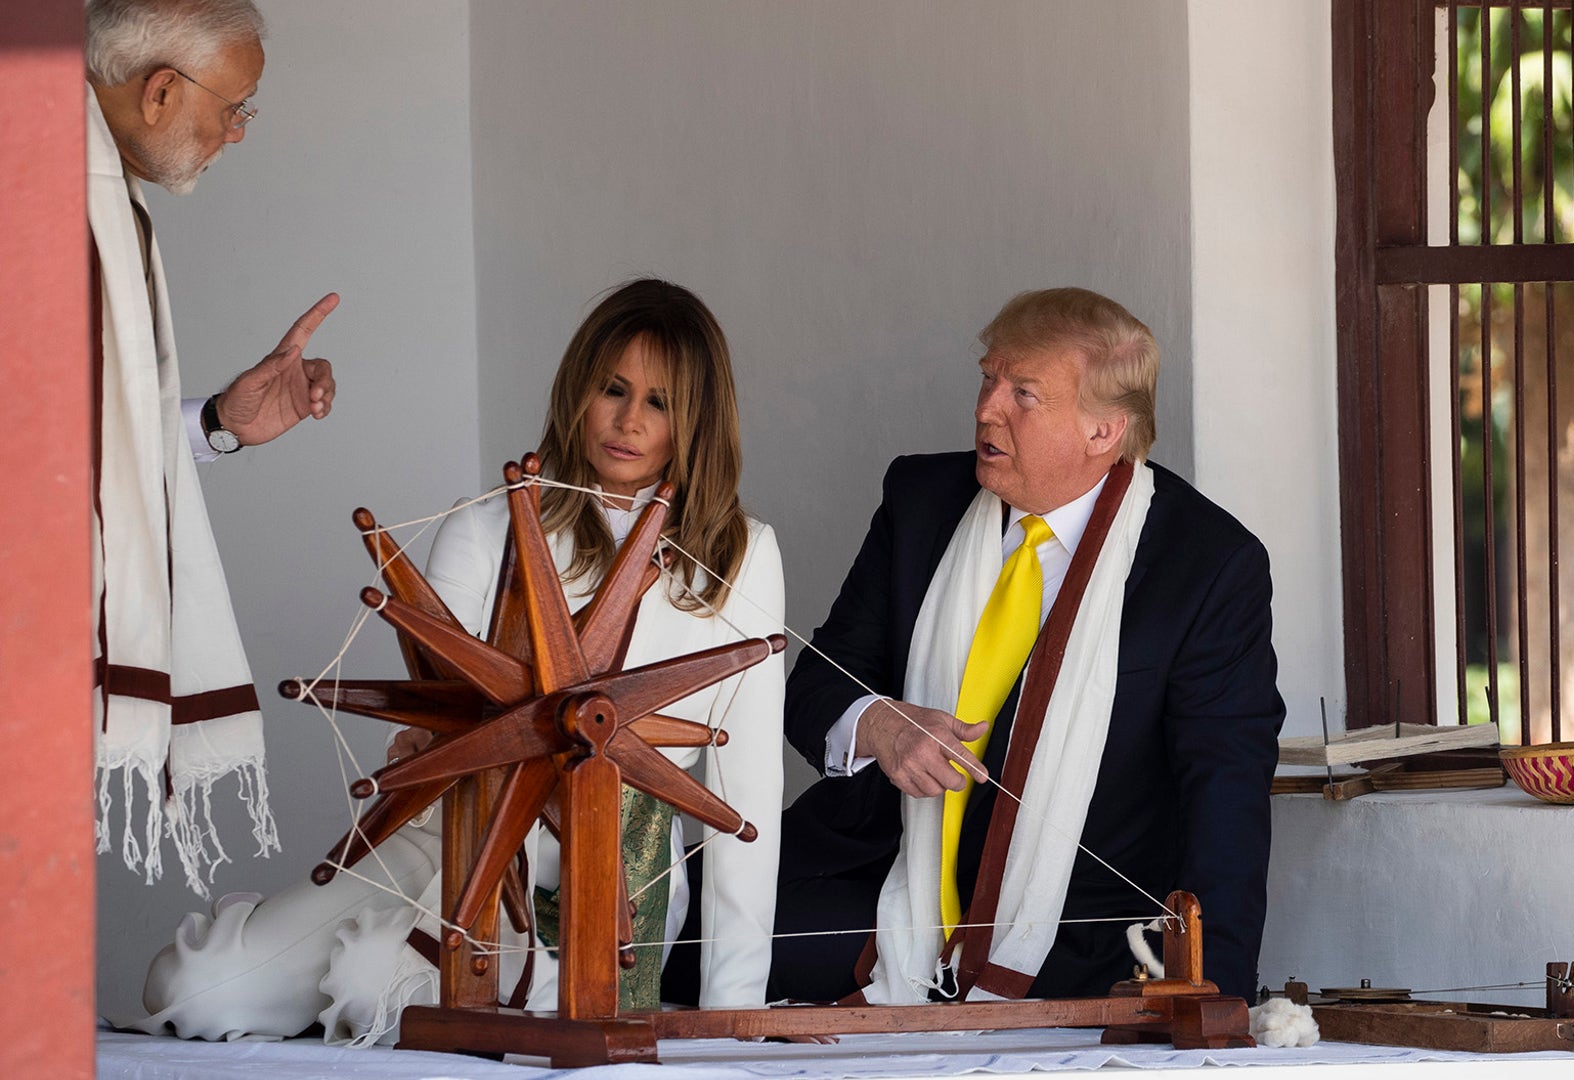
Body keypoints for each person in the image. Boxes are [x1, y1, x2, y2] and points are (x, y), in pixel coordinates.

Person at [131, 279, 785, 1043]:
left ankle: (440, 975)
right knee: (192, 989)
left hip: (612, 874)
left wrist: (736, 1009)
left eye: (660, 402)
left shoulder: (743, 556)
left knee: (373, 979)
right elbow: (433, 722)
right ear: (579, 388)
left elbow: (750, 798)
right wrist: (413, 746)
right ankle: (315, 943)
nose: (628, 421)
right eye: (612, 389)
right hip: (453, 830)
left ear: (697, 419)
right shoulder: (483, 533)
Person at [774, 288, 1284, 1006]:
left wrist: (1218, 990)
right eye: (989, 378)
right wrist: (880, 723)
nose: (987, 408)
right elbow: (814, 687)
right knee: (661, 939)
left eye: (1024, 394)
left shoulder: (1206, 565)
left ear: (1103, 431)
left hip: (1076, 926)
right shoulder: (920, 500)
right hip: (881, 886)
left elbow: (1225, 794)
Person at [86, 0, 340, 896]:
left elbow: (89, 440)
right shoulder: (38, 191)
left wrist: (219, 425)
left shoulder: (103, 201)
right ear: (160, 91)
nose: (236, 133)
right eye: (234, 107)